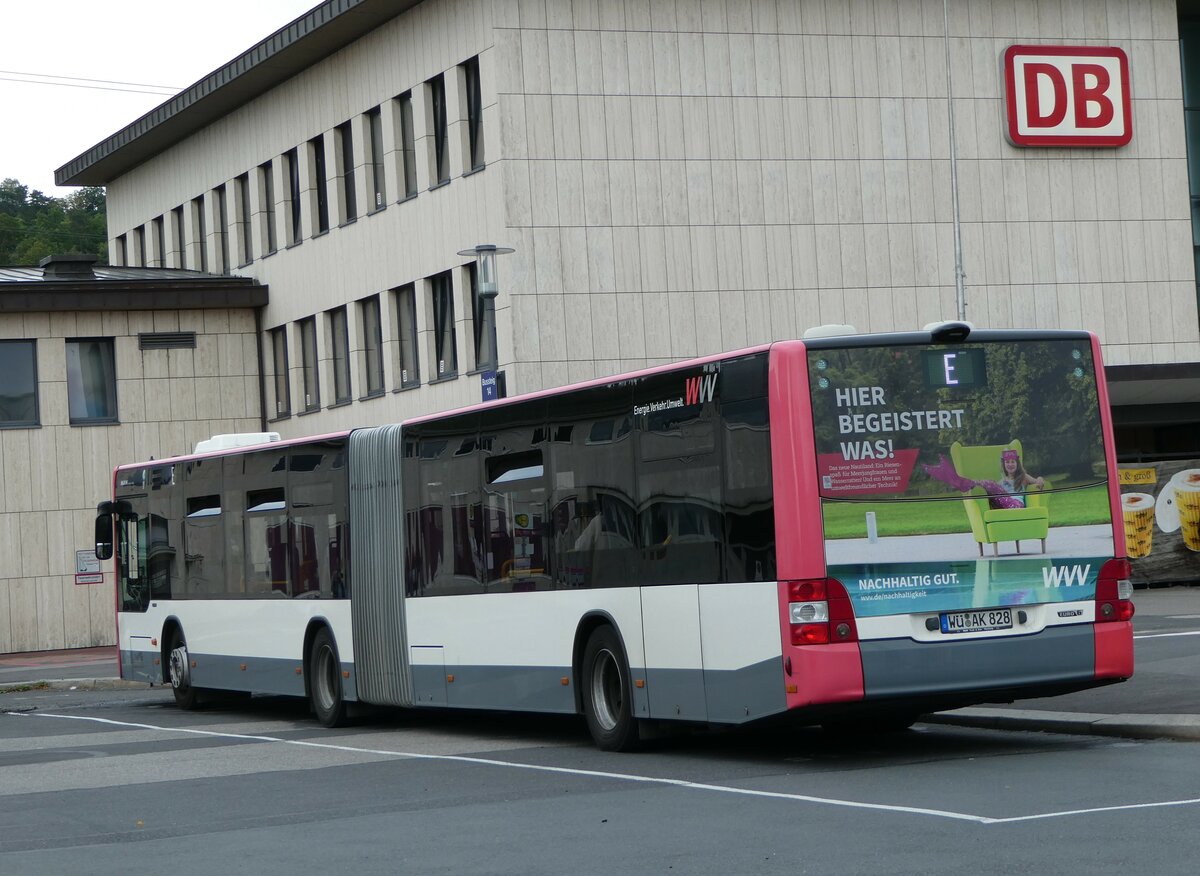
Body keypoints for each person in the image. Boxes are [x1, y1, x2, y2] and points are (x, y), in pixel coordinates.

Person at [923, 448, 1044, 509]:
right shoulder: (1001, 482)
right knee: (989, 489)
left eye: (1013, 462)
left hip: (1016, 506)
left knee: (990, 483)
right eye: (1007, 462)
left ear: (1017, 464)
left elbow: (1037, 480)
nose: (1010, 464)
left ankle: (958, 481)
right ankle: (954, 479)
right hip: (1004, 507)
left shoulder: (1023, 477)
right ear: (1004, 465)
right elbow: (997, 495)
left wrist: (1039, 480)